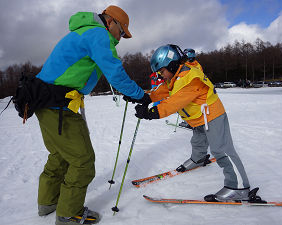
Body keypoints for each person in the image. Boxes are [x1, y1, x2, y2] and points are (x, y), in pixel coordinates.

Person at [34, 5, 151, 225]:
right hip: (58, 107)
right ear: (111, 22)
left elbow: (84, 71)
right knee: (82, 161)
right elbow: (114, 72)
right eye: (122, 32)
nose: (122, 37)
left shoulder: (84, 31)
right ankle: (68, 214)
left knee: (60, 155)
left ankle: (48, 202)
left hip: (47, 102)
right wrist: (139, 95)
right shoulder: (99, 34)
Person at [133, 44, 252, 202]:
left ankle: (238, 187)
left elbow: (174, 102)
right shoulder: (176, 77)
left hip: (212, 115)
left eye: (162, 71)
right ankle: (199, 159)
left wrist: (151, 112)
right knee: (198, 141)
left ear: (172, 64)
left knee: (221, 150)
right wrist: (146, 97)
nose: (161, 76)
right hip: (199, 118)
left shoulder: (190, 78)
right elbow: (164, 90)